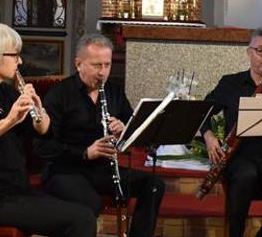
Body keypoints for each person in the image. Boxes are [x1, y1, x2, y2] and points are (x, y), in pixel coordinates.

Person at [0, 21, 96, 236]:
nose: (20, 60)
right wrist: (9, 120)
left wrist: (38, 110)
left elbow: (42, 131)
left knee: (84, 210)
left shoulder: (4, 92)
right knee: (81, 220)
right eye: (14, 55)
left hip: (13, 191)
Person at [34, 34, 165, 237]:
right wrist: (86, 152)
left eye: (107, 65)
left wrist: (124, 129)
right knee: (90, 204)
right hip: (65, 170)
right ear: (79, 64)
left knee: (154, 185)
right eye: (97, 66)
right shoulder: (59, 95)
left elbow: (132, 125)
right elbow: (43, 148)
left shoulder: (114, 90)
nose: (103, 72)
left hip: (102, 170)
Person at [202, 28, 262, 237]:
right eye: (260, 50)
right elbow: (201, 113)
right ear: (249, 52)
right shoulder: (230, 83)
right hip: (239, 156)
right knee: (245, 176)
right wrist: (209, 137)